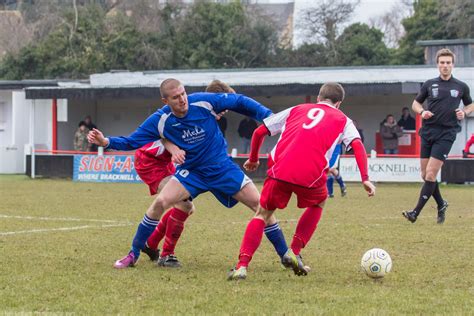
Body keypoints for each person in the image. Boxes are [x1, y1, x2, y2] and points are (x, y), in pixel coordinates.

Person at [88, 78, 291, 270]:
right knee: (161, 202)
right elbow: (133, 141)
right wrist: (106, 142)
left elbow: (239, 101)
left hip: (222, 168)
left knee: (262, 206)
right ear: (165, 101)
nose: (182, 99)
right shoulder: (160, 120)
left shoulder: (203, 101)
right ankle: (133, 254)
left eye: (183, 93)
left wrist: (269, 117)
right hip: (193, 172)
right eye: (175, 97)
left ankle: (286, 256)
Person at [228, 82, 376, 280]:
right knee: (319, 202)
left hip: (280, 169)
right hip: (311, 174)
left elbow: (259, 132)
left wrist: (254, 159)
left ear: (318, 98)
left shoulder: (297, 109)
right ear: (338, 103)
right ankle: (294, 251)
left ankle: (242, 266)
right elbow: (357, 145)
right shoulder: (344, 120)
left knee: (262, 214)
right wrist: (365, 178)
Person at [142, 79, 237, 268]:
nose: (225, 111)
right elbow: (162, 136)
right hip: (150, 161)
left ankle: (151, 243)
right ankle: (166, 254)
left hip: (169, 162)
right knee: (184, 206)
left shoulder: (202, 114)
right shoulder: (187, 113)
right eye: (224, 107)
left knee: (186, 207)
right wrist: (174, 148)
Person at [402, 48, 473, 224]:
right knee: (425, 174)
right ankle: (441, 204)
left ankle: (414, 213)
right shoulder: (429, 84)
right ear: (438, 65)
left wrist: (464, 112)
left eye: (448, 63)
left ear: (453, 65)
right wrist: (422, 111)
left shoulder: (461, 86)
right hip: (428, 131)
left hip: (447, 133)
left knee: (431, 175)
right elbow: (415, 103)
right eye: (442, 63)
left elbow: (471, 105)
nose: (445, 66)